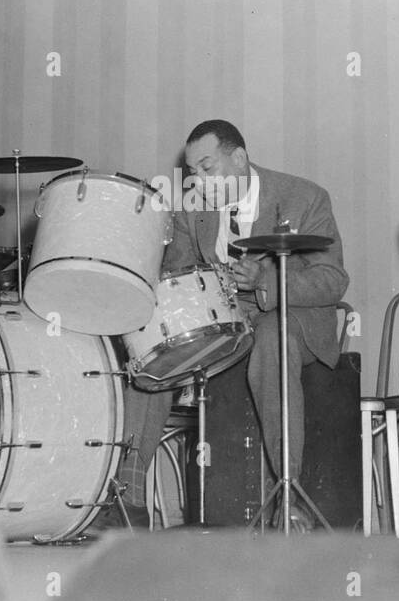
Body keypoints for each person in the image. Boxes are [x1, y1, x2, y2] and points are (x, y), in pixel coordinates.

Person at [115, 120, 350, 526]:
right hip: (225, 321)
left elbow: (333, 280)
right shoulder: (193, 208)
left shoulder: (304, 197)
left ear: (239, 158)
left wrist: (268, 283)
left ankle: (288, 496)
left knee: (272, 341)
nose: (199, 182)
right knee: (156, 347)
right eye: (192, 173)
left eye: (209, 168)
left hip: (289, 318)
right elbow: (178, 272)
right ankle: (128, 498)